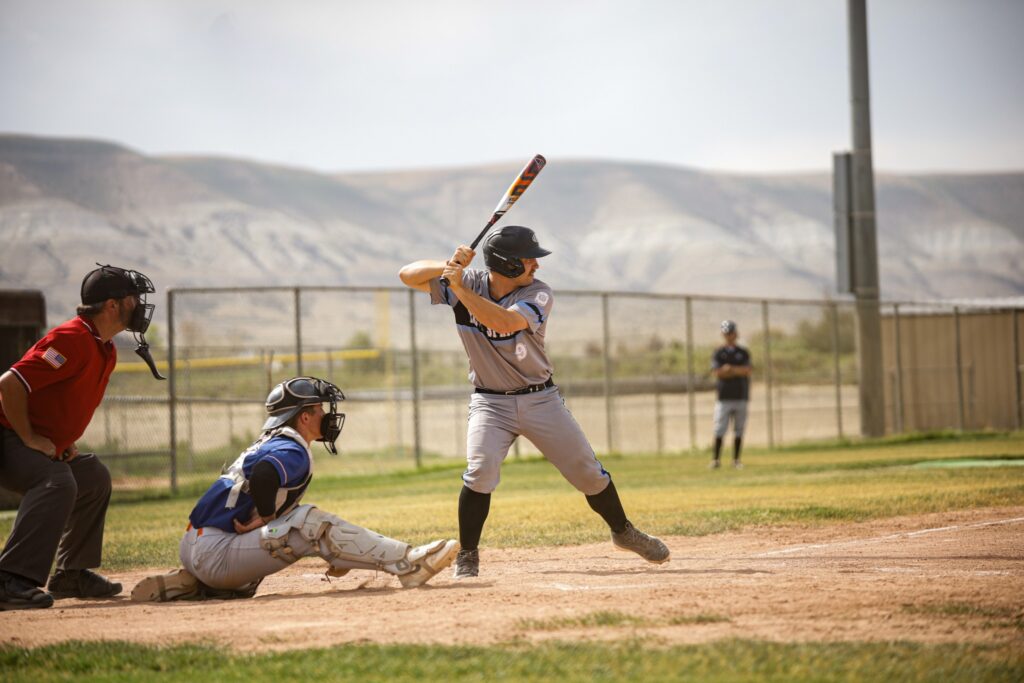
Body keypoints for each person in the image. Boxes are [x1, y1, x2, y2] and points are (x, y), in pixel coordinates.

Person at [398, 225, 670, 579]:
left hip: (541, 399)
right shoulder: (470, 283)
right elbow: (407, 275)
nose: (536, 266)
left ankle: (623, 532)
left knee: (588, 472)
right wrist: (449, 265)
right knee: (479, 472)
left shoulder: (538, 293)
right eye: (529, 260)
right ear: (508, 265)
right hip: (490, 403)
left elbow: (505, 322)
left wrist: (459, 287)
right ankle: (468, 555)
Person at [131, 376, 459, 602]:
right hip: (216, 552)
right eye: (319, 410)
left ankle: (200, 586)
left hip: (200, 545)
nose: (327, 416)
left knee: (297, 524)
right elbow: (262, 475)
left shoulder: (273, 442)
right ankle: (408, 563)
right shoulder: (292, 449)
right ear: (303, 418)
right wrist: (267, 517)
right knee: (308, 521)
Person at [0, 264, 160, 610]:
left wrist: (59, 438)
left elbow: (56, 397)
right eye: (134, 298)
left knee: (92, 476)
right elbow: (10, 383)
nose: (140, 306)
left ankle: (71, 572)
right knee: (56, 481)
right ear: (112, 306)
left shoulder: (104, 347)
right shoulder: (72, 339)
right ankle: (10, 579)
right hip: (6, 437)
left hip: (23, 437)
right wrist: (29, 437)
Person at [710, 320, 752, 469]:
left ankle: (736, 460)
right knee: (719, 428)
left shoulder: (743, 352)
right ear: (723, 335)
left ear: (736, 334)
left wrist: (730, 369)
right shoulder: (718, 352)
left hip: (741, 395)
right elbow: (717, 373)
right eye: (727, 333)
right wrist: (734, 371)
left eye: (731, 333)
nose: (729, 336)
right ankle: (715, 460)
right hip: (724, 397)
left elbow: (747, 370)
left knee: (739, 429)